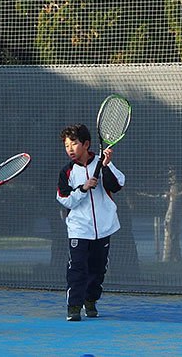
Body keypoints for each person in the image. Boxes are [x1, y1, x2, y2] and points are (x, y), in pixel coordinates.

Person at [56, 124, 125, 321]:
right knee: (77, 268)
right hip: (79, 229)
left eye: (74, 144)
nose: (70, 149)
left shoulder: (102, 163)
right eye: (66, 145)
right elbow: (64, 198)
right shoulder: (66, 172)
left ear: (86, 144)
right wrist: (83, 188)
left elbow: (117, 185)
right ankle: (74, 307)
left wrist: (107, 165)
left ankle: (90, 300)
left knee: (98, 268)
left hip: (104, 228)